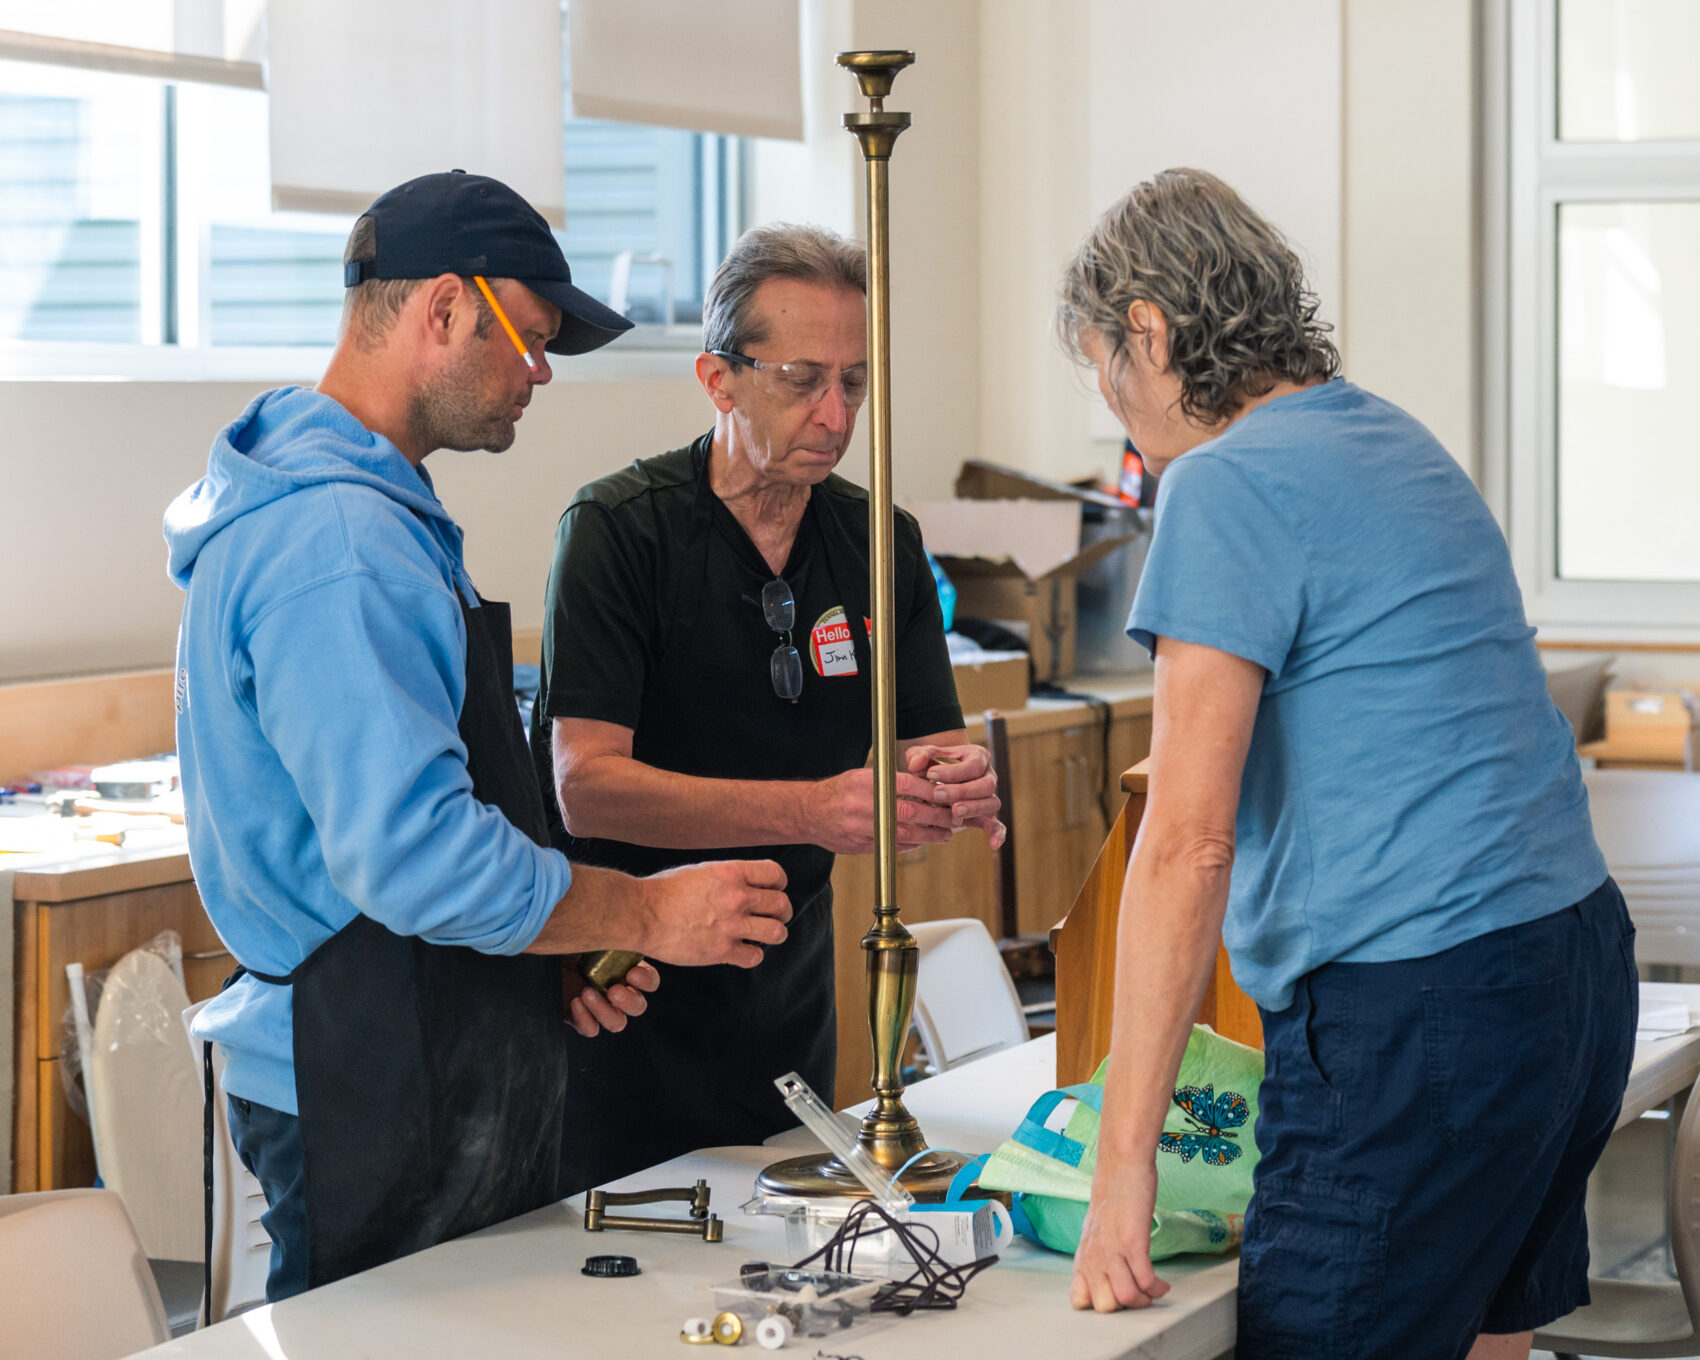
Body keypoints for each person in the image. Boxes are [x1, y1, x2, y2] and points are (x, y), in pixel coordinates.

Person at [164, 171, 793, 1301]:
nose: (540, 373)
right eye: (532, 338)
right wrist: (644, 911)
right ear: (446, 309)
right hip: (369, 1077)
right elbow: (416, 857)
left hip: (410, 1042)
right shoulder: (340, 542)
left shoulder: (359, 509)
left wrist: (545, 951)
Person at [1055, 169, 1634, 1359]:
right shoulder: (1386, 436)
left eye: (1103, 369)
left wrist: (1122, 1169)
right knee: (1485, 1332)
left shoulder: (1223, 482)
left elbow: (1185, 841)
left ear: (1146, 333)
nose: (1116, 412)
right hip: (1568, 967)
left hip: (1423, 1010)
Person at [529, 223, 1005, 1193]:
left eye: (854, 383)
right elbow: (587, 787)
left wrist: (950, 786)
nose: (834, 414)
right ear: (718, 378)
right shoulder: (619, 533)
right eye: (801, 380)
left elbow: (924, 748)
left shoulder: (880, 542)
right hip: (622, 985)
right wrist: (811, 809)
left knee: (775, 1235)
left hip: (785, 991)